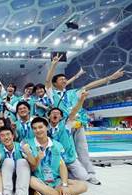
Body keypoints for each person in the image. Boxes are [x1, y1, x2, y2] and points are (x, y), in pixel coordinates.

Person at [46, 54, 124, 185]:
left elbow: (90, 85)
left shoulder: (73, 92)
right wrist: (53, 65)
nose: (64, 81)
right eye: (61, 79)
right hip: (62, 127)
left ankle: (90, 174)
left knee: (82, 149)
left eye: (65, 79)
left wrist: (109, 78)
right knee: (62, 150)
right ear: (55, 83)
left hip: (77, 124)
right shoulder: (52, 94)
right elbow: (47, 82)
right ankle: (61, 173)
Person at [23, 117, 88, 195]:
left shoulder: (57, 145)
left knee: (83, 186)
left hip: (56, 180)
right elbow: (32, 168)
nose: (38, 130)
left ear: (46, 127)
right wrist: (38, 158)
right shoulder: (28, 144)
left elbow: (62, 165)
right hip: (39, 179)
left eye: (40, 127)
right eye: (34, 128)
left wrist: (64, 185)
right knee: (31, 181)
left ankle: (49, 193)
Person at [48, 90, 91, 182]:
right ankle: (62, 175)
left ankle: (66, 175)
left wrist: (81, 100)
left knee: (83, 177)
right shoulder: (45, 128)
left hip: (69, 159)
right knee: (49, 177)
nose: (55, 114)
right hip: (54, 160)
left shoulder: (66, 125)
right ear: (49, 116)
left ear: (61, 117)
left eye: (58, 113)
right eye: (53, 113)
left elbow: (74, 111)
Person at [0, 126, 30, 195]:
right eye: (2, 135)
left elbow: (32, 163)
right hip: (6, 179)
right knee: (8, 161)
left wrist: (28, 154)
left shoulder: (21, 146)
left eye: (8, 134)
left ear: (13, 136)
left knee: (22, 161)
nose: (6, 137)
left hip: (21, 179)